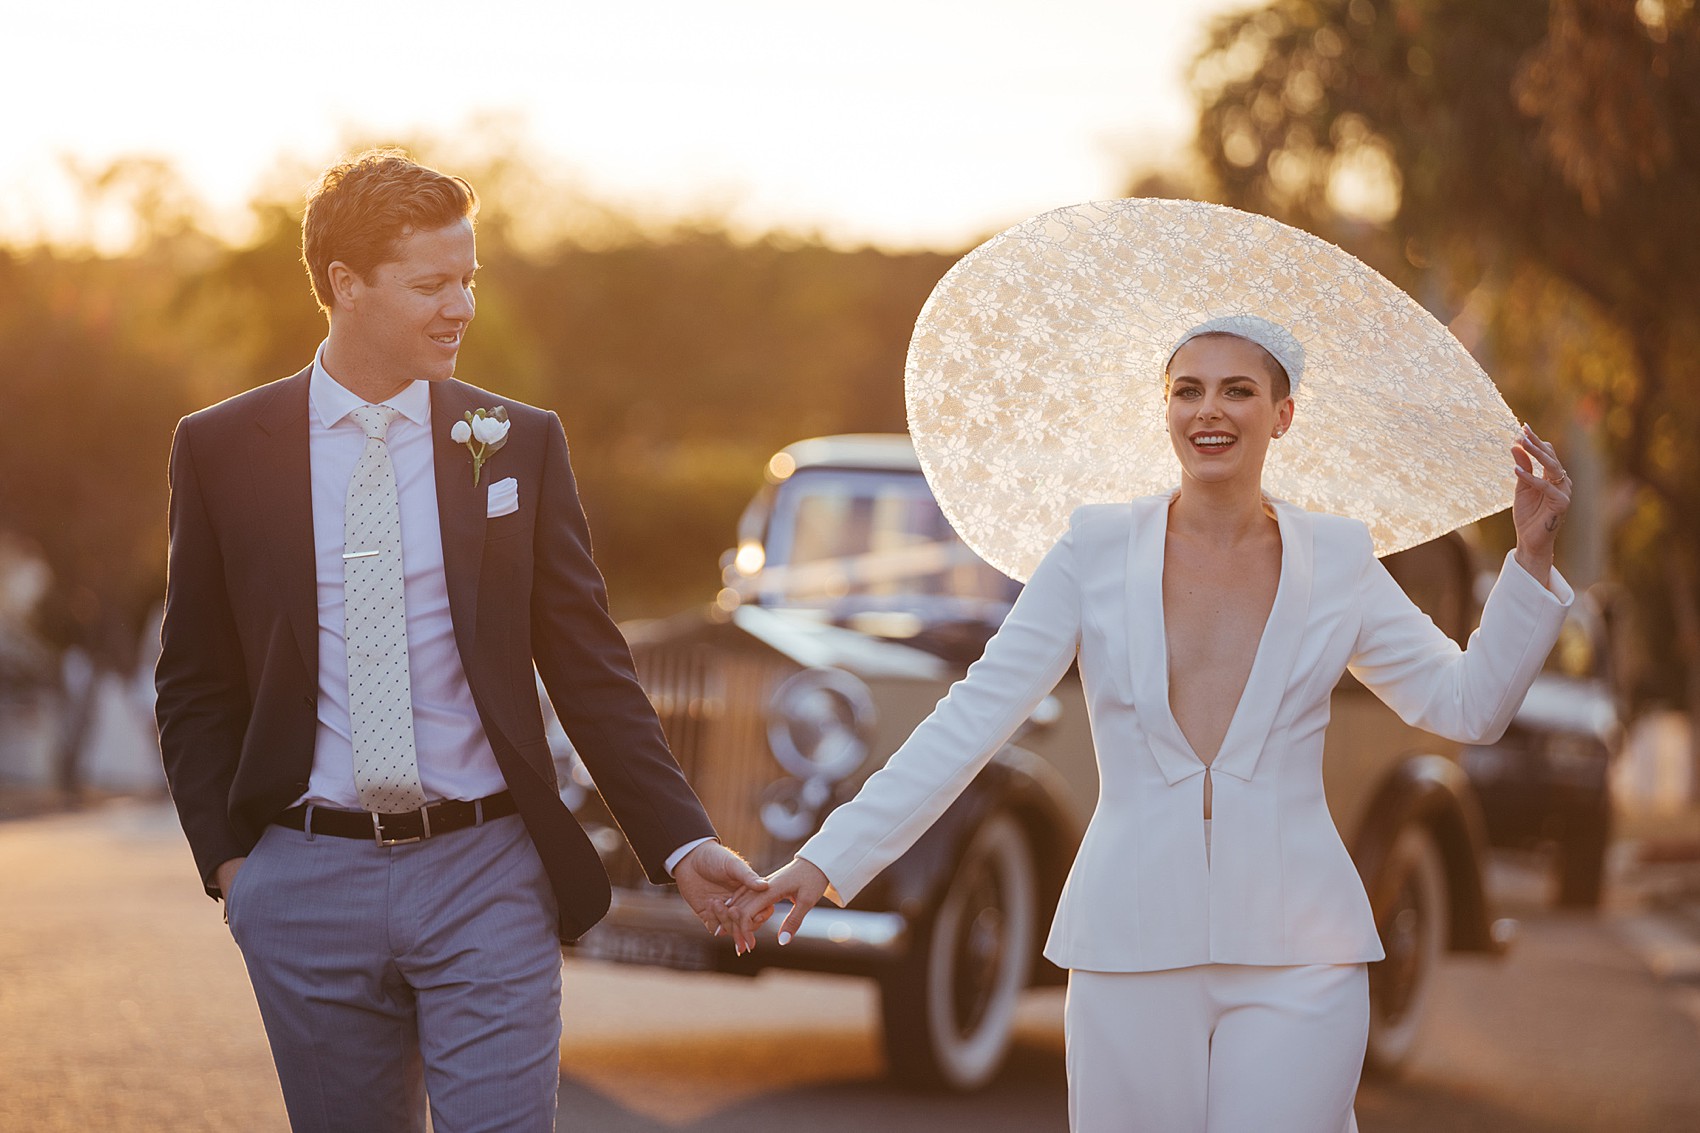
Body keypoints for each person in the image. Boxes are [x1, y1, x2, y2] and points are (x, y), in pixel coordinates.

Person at [738, 314, 1573, 1131]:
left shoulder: (1341, 561)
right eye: (1188, 390)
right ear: (1166, 409)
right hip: (1126, 938)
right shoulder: (1090, 550)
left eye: (1238, 390)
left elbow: (1468, 705)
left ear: (1283, 415)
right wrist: (827, 858)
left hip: (1301, 948)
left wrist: (1530, 559)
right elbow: (973, 717)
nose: (1209, 410)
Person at [154, 148, 764, 1133]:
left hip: (486, 869)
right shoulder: (222, 446)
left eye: (469, 279)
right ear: (344, 285)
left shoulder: (514, 440)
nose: (461, 307)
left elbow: (588, 665)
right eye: (433, 283)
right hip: (305, 879)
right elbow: (194, 679)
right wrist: (235, 867)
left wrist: (681, 840)